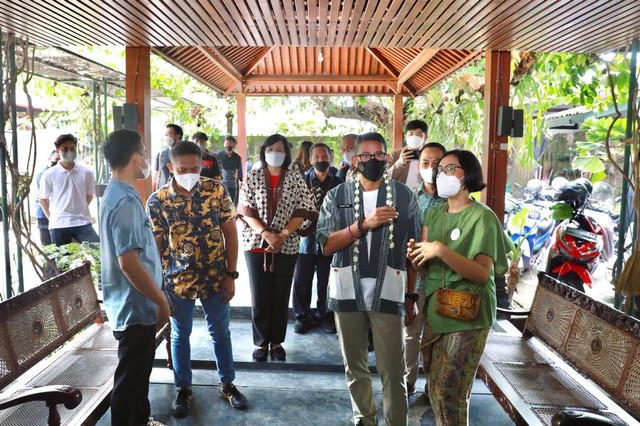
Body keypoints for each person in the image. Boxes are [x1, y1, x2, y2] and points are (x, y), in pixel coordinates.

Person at [317, 132, 421, 426]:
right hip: (346, 291)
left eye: (378, 155)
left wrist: (412, 296)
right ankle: (364, 418)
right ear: (355, 160)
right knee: (355, 365)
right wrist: (363, 224)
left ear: (387, 158)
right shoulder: (337, 197)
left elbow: (413, 253)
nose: (372, 160)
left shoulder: (404, 196)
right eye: (366, 156)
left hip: (389, 291)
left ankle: (396, 421)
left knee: (392, 369)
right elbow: (325, 245)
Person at [407, 150, 512, 426]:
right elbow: (424, 266)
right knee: (436, 389)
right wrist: (416, 256)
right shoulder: (434, 214)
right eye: (439, 169)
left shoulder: (483, 217)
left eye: (450, 168)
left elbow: (480, 273)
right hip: (438, 309)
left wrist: (440, 250)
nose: (441, 174)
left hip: (468, 313)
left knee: (451, 392)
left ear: (468, 175)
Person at [147, 141, 247, 417]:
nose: (189, 173)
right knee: (180, 334)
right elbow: (155, 249)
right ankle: (183, 388)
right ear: (170, 167)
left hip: (215, 276)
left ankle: (227, 384)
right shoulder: (157, 201)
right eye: (182, 169)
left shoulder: (216, 191)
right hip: (177, 281)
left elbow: (230, 233)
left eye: (195, 168)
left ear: (202, 164)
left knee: (220, 332)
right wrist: (159, 289)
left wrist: (231, 274)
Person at [100, 129, 170, 426]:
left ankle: (140, 420)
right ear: (134, 157)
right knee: (130, 380)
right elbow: (129, 264)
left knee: (139, 373)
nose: (146, 158)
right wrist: (161, 299)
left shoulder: (120, 194)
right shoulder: (125, 202)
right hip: (135, 307)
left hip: (133, 304)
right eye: (143, 152)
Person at [236, 134, 316, 362]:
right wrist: (266, 233)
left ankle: (277, 341)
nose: (275, 153)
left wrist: (282, 235)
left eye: (279, 149)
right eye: (270, 148)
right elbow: (245, 210)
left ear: (287, 153)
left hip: (286, 245)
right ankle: (260, 342)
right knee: (260, 295)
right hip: (256, 245)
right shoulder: (252, 177)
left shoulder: (295, 178)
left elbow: (303, 210)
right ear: (263, 152)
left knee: (281, 295)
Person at [403, 142, 446, 397]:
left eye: (437, 164)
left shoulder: (455, 199)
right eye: (426, 163)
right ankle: (407, 382)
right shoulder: (409, 197)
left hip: (445, 278)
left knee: (439, 334)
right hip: (415, 278)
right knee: (411, 332)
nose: (431, 168)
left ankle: (434, 384)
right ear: (418, 167)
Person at [291, 142, 344, 334]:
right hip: (305, 239)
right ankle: (302, 316)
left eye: (324, 156)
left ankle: (326, 315)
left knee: (327, 279)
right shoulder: (301, 181)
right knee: (301, 280)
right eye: (317, 157)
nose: (321, 160)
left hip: (329, 240)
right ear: (311, 159)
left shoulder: (339, 183)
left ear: (330, 157)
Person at [40, 134, 100, 246]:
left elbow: (89, 196)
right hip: (59, 224)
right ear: (57, 151)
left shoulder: (87, 172)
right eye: (65, 149)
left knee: (97, 252)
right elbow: (43, 200)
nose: (69, 151)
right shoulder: (48, 174)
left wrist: (78, 208)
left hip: (83, 222)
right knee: (63, 261)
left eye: (72, 148)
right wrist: (52, 218)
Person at [387, 119, 429, 188]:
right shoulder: (395, 155)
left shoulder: (429, 156)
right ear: (405, 136)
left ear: (425, 137)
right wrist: (400, 163)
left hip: (422, 196)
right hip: (400, 196)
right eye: (411, 134)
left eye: (418, 134)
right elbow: (385, 179)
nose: (414, 137)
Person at [35, 149, 59, 245]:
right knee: (47, 244)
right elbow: (45, 197)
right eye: (55, 159)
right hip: (44, 212)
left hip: (57, 212)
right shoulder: (43, 174)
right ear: (49, 159)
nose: (57, 162)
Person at [153, 124, 183, 190]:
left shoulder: (186, 155)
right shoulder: (161, 155)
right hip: (162, 195)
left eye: (168, 134)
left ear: (177, 137)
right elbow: (156, 177)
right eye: (165, 135)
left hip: (180, 195)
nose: (165, 137)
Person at [217, 136, 243, 205]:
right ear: (224, 144)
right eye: (226, 143)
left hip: (232, 185)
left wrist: (241, 182)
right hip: (221, 184)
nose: (228, 145)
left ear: (234, 145)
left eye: (230, 143)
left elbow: (239, 172)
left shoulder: (237, 158)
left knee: (231, 204)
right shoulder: (218, 156)